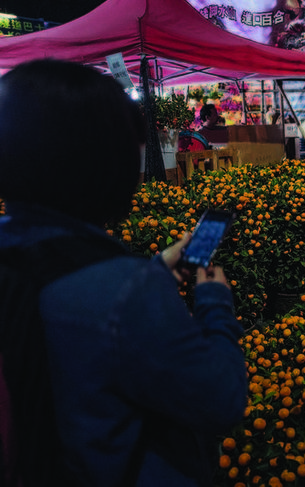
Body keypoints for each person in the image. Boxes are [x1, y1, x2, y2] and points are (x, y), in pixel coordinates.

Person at [0, 60, 247, 485]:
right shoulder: (124, 289)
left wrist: (152, 272)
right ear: (104, 165)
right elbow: (221, 398)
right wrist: (214, 300)